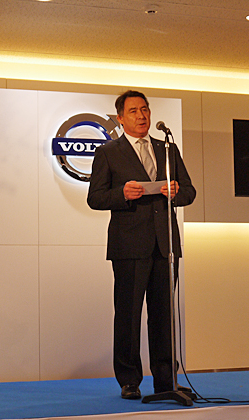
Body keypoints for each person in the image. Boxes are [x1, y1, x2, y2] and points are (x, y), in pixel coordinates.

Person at [87, 90, 196, 399]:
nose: (142, 116)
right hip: (129, 246)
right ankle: (129, 380)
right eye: (134, 111)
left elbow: (189, 191)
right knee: (128, 315)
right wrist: (122, 193)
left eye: (145, 109)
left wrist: (175, 192)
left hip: (165, 246)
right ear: (120, 118)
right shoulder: (109, 152)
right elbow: (95, 197)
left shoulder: (167, 149)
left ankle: (166, 381)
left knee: (164, 317)